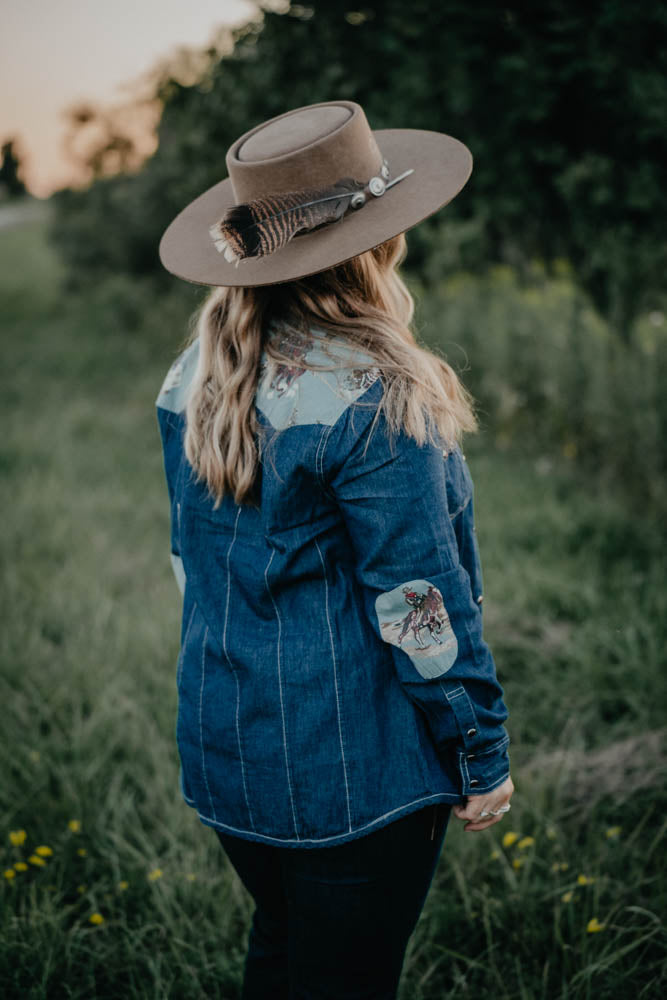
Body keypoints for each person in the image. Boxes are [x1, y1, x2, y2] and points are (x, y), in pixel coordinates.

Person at [156, 100, 514, 1000]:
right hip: (356, 778)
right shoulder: (378, 396)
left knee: (280, 953)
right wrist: (480, 749)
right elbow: (417, 604)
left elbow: (190, 560)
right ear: (375, 242)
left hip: (225, 750)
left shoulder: (194, 374)